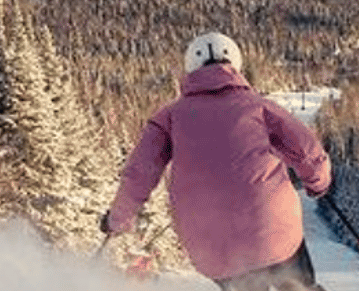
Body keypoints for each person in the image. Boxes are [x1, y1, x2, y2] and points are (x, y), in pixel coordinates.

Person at [102, 32, 332, 291]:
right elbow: (309, 153)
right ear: (235, 64)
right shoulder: (258, 107)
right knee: (296, 285)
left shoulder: (168, 118)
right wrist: (317, 185)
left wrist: (117, 220)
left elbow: (139, 175)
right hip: (272, 232)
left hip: (214, 247)